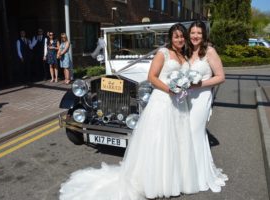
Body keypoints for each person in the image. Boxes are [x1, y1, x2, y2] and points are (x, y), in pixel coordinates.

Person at [59, 23, 204, 200]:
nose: (180, 39)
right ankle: (156, 179)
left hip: (178, 103)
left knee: (176, 139)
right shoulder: (163, 53)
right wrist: (171, 90)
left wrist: (184, 86)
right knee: (160, 141)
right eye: (176, 36)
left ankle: (174, 178)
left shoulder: (184, 55)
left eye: (182, 36)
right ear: (170, 38)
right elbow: (152, 77)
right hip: (165, 99)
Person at [187, 20, 228, 192]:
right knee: (185, 133)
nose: (195, 36)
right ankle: (185, 172)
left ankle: (198, 175)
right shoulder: (186, 51)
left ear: (204, 35)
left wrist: (200, 84)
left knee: (195, 132)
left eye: (199, 33)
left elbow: (221, 77)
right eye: (193, 33)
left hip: (202, 97)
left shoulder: (209, 51)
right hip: (185, 98)